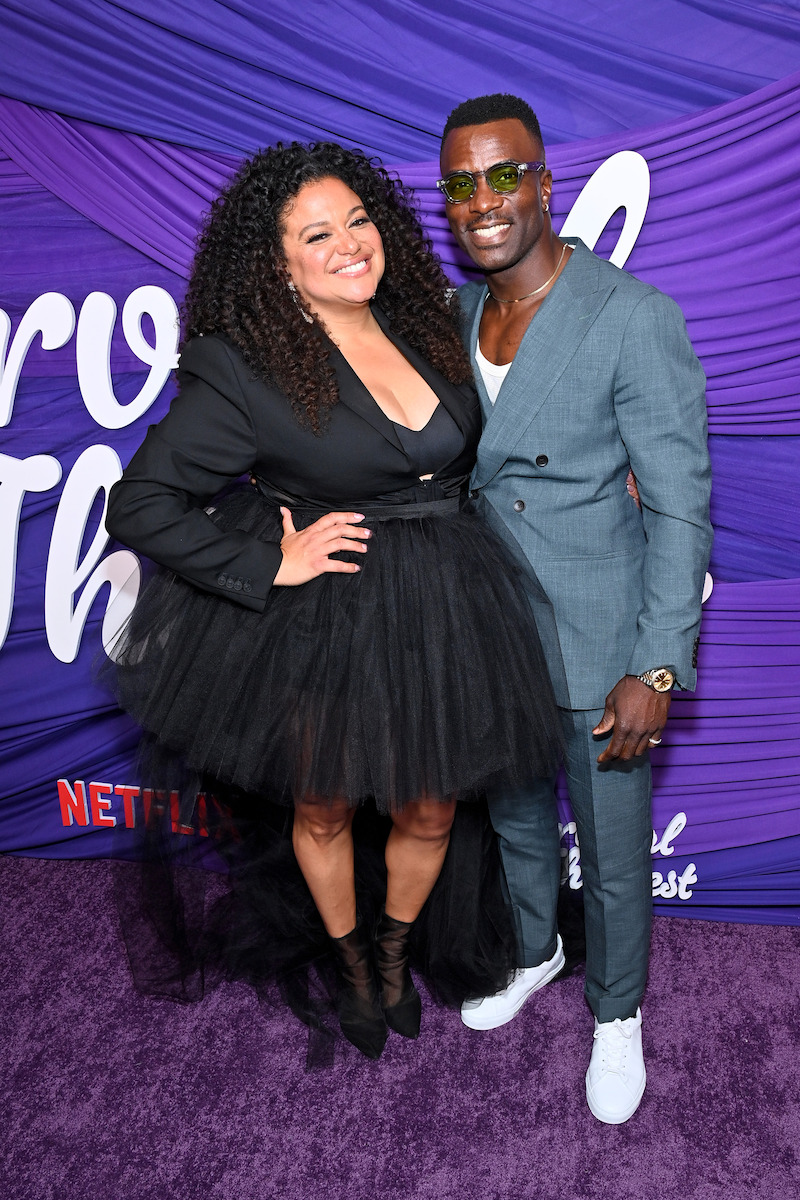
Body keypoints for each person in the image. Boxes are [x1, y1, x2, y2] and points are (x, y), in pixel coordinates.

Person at [105, 141, 562, 1061]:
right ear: (278, 261)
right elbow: (139, 503)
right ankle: (353, 965)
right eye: (319, 233)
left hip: (447, 604)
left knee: (430, 808)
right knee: (322, 808)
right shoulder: (243, 366)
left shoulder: (427, 319)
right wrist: (268, 566)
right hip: (332, 615)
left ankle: (393, 950)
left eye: (358, 219)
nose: (351, 244)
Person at [438, 94, 712, 1122]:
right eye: (461, 184)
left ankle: (614, 1013)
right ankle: (529, 950)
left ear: (545, 184)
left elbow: (680, 508)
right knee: (510, 818)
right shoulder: (455, 314)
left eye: (503, 174)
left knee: (607, 848)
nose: (483, 200)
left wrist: (653, 665)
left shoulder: (630, 316)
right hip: (488, 635)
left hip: (600, 640)